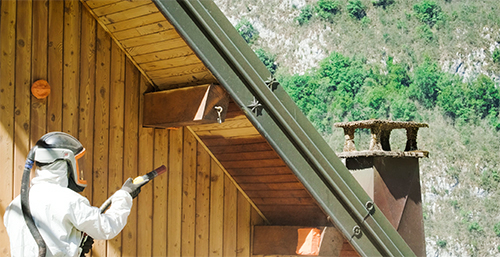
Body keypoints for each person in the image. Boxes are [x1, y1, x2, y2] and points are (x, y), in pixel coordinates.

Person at [3, 132, 145, 256]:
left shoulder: (15, 205)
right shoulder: (69, 200)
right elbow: (107, 227)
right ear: (66, 162)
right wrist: (124, 196)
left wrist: (76, 241)